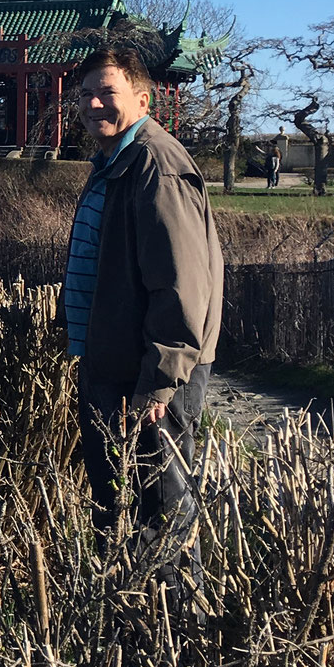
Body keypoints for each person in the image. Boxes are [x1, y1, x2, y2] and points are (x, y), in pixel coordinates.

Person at [63, 47, 223, 534]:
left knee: (163, 509)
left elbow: (180, 281)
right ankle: (119, 607)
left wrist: (161, 375)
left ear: (142, 98)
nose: (93, 105)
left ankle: (172, 610)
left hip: (148, 374)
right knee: (115, 510)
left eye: (107, 92)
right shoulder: (118, 160)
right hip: (113, 363)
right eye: (85, 95)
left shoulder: (156, 165)